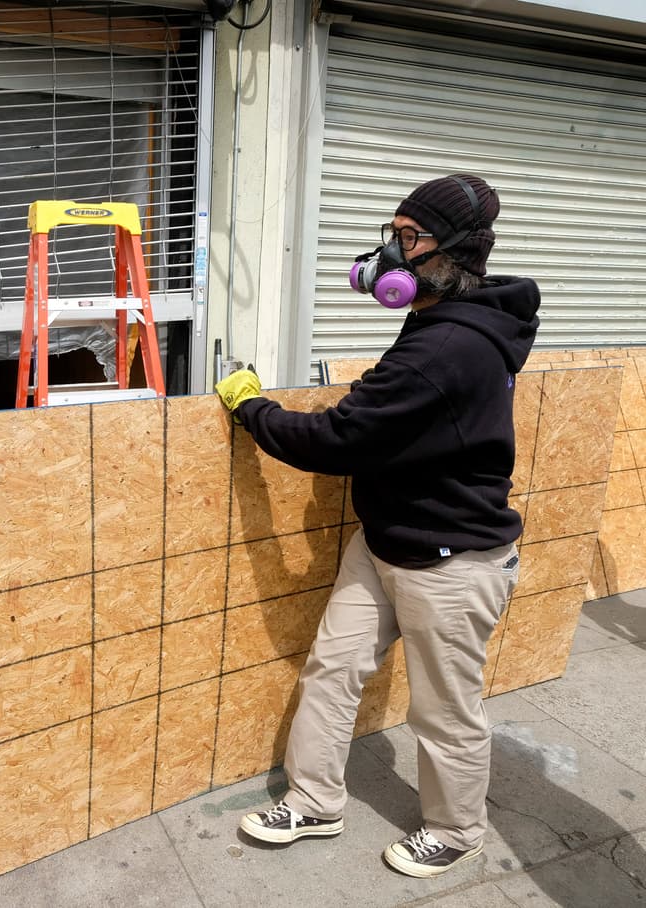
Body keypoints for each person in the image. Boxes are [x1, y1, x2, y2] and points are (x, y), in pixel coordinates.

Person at [214, 174, 539, 878]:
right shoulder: (443, 322)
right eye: (393, 232)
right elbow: (397, 418)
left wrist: (251, 408)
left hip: (453, 561)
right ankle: (314, 799)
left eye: (408, 236)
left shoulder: (448, 347)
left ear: (453, 251)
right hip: (389, 537)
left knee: (444, 710)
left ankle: (457, 830)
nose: (390, 251)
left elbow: (336, 441)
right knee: (335, 669)